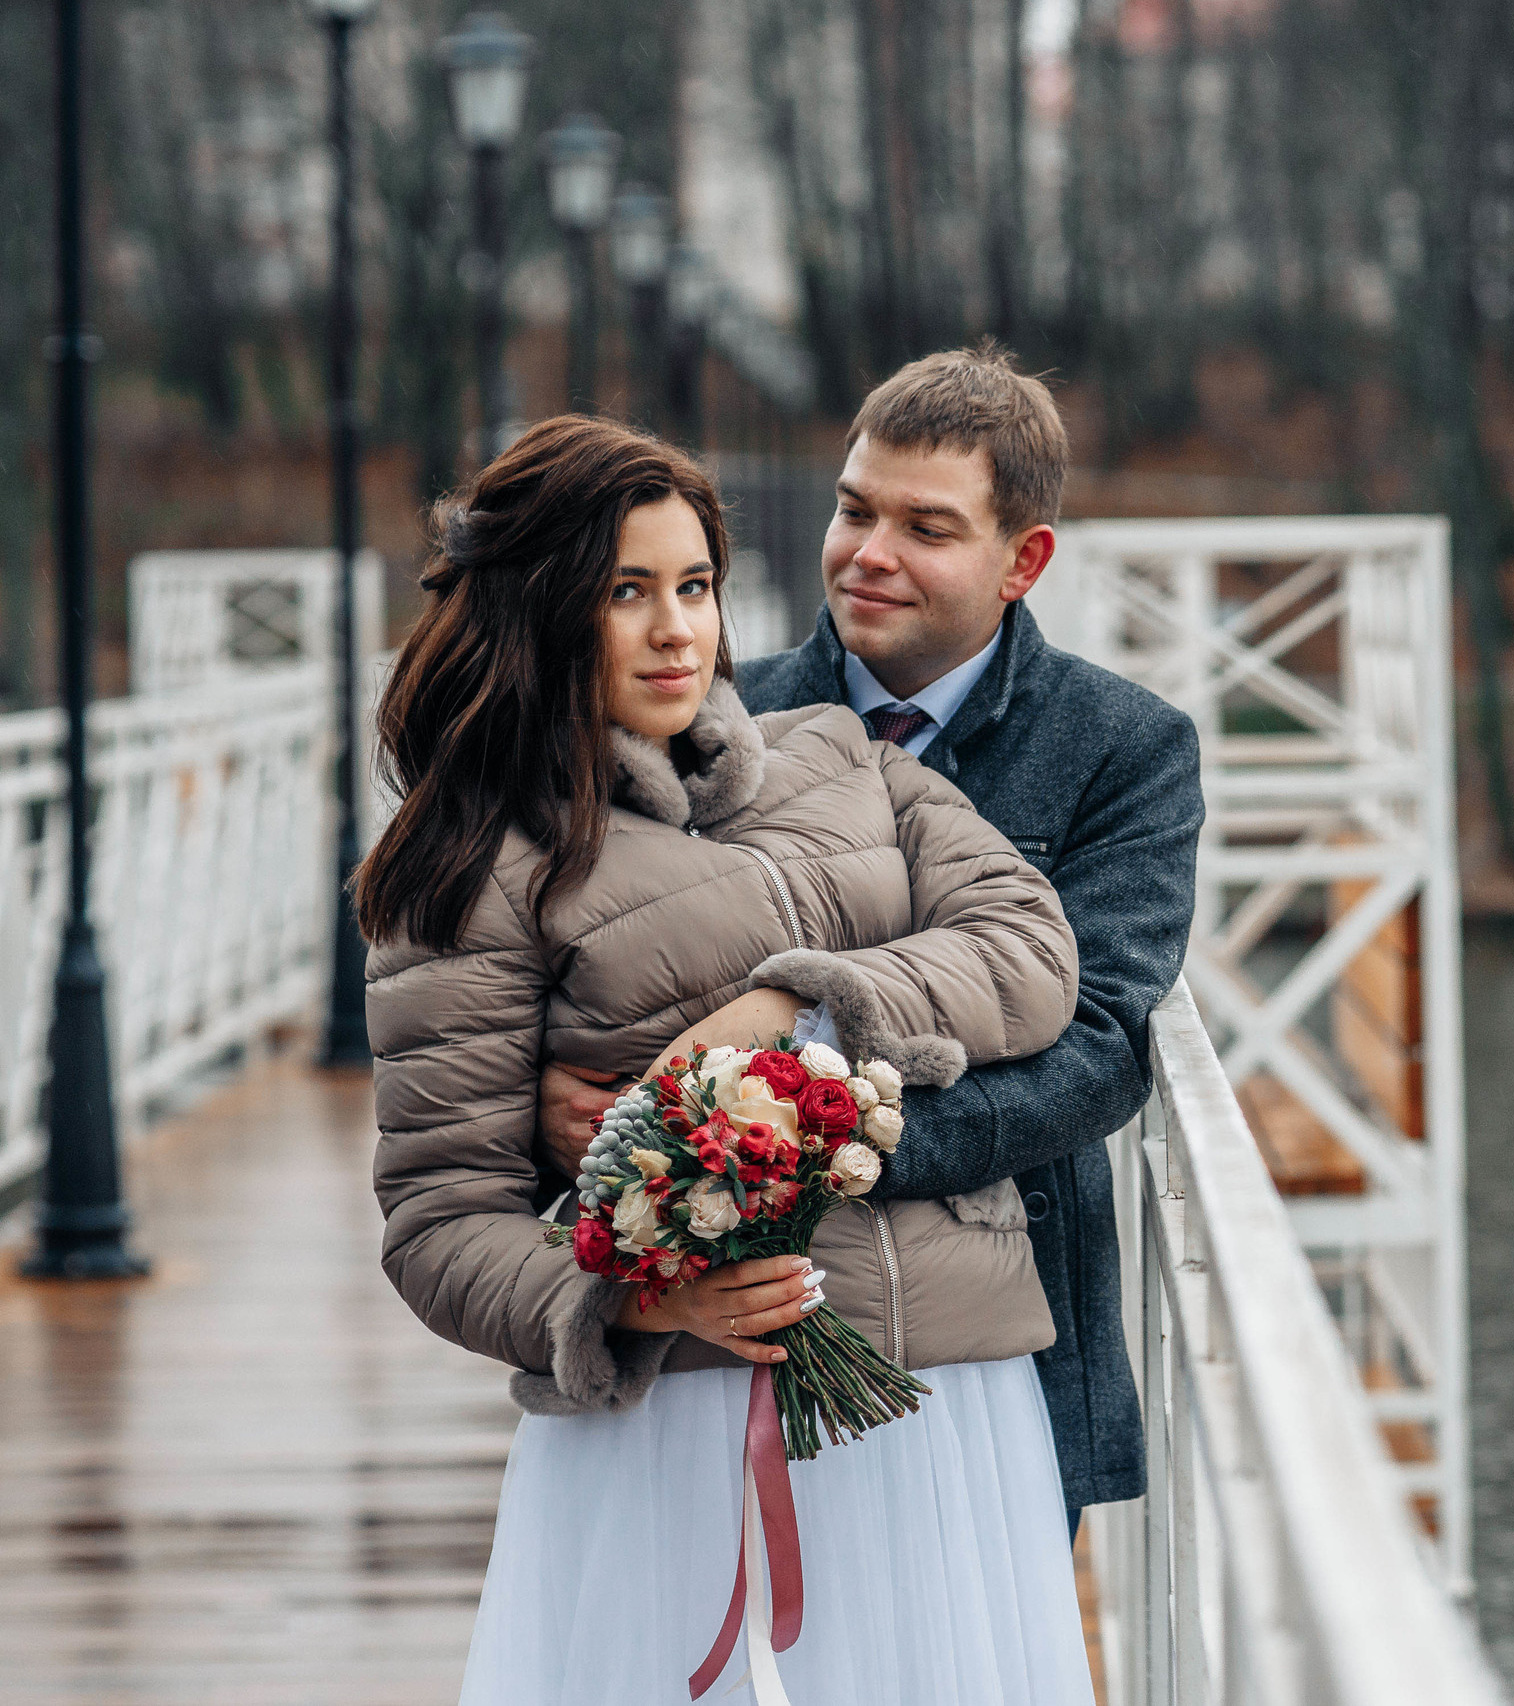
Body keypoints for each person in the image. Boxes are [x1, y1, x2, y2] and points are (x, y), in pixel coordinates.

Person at [363, 415, 1094, 1703]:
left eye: (693, 585)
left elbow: (1031, 954)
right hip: (686, 1428)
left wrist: (790, 1011)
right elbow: (438, 1220)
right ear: (539, 608)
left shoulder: (843, 754)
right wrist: (635, 1302)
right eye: (623, 593)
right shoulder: (477, 869)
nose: (675, 632)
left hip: (953, 1404)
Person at [539, 344, 1206, 1524]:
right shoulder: (712, 702)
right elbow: (589, 956)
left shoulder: (1122, 745)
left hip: (999, 1339)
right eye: (854, 508)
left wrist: (791, 1141)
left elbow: (1098, 1045)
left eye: (927, 527)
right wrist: (551, 1102)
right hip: (710, 1330)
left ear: (1024, 559)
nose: (869, 553)